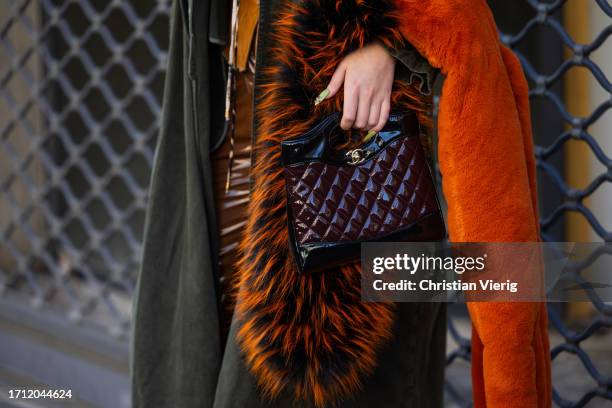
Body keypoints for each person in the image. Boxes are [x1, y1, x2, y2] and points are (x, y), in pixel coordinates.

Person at [131, 0, 551, 407]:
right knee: (201, 344)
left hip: (341, 120)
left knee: (323, 376)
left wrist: (390, 43)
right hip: (220, 93)